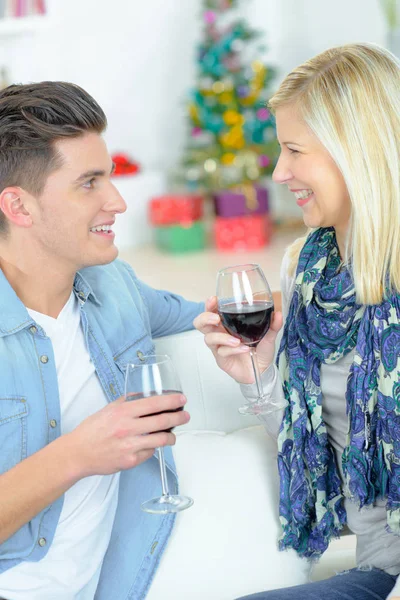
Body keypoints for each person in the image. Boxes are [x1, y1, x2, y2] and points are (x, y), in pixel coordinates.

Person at [194, 42, 400, 600]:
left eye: (294, 150)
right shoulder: (308, 268)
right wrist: (260, 375)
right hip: (380, 571)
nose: (279, 172)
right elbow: (312, 447)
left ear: (356, 150)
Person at [0, 81, 203, 599]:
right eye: (88, 183)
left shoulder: (115, 287)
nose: (117, 201)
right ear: (18, 207)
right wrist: (79, 454)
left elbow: (218, 314)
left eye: (109, 177)